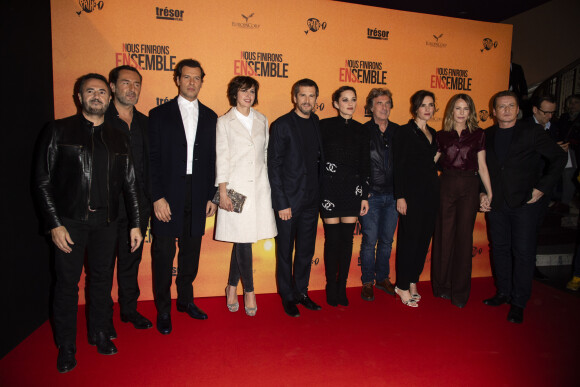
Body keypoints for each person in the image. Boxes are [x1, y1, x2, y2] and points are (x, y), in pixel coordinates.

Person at [34, 73, 143, 372]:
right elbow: (42, 182)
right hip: (69, 223)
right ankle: (67, 344)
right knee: (67, 285)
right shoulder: (58, 130)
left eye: (101, 92)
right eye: (89, 91)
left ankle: (99, 332)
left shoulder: (120, 136)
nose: (96, 96)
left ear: (109, 98)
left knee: (101, 282)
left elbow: (130, 184)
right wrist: (54, 223)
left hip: (107, 223)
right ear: (79, 97)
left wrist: (135, 223)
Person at [480, 91, 566, 324]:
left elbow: (558, 158)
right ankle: (503, 293)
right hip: (497, 204)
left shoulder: (532, 132)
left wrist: (541, 188)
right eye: (501, 106)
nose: (507, 110)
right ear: (494, 111)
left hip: (525, 204)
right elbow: (482, 168)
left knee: (523, 253)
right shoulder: (486, 135)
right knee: (499, 249)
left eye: (511, 106)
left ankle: (518, 302)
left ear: (518, 110)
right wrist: (481, 192)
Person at [149, 59, 218, 334]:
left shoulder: (212, 116)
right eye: (187, 77)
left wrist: (213, 194)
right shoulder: (158, 114)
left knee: (191, 251)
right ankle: (163, 309)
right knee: (163, 254)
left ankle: (185, 301)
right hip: (168, 194)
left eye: (197, 78)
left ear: (202, 81)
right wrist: (157, 196)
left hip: (199, 192)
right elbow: (151, 159)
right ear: (177, 79)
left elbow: (216, 159)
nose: (192, 82)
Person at [215, 76, 277, 316]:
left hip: (259, 190)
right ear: (235, 93)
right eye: (243, 91)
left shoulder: (262, 120)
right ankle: (249, 290)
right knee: (243, 241)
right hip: (235, 191)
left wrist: (268, 188)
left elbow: (265, 155)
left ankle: (231, 287)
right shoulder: (224, 122)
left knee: (243, 240)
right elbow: (222, 158)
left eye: (251, 91)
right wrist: (222, 192)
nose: (248, 95)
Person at [268, 78, 325, 317]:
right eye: (303, 95)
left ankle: (301, 292)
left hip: (312, 201)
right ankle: (287, 296)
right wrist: (281, 203)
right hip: (288, 203)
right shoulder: (282, 125)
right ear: (294, 97)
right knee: (284, 252)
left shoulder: (316, 122)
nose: (307, 100)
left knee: (305, 251)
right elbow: (274, 166)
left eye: (311, 96)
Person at [431, 93, 492, 308]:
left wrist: (488, 192)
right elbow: (431, 164)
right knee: (444, 237)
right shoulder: (441, 136)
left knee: (464, 239)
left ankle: (459, 292)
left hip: (469, 187)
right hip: (446, 185)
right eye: (458, 108)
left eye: (466, 109)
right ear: (451, 111)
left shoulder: (479, 135)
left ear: (471, 112)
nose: (462, 113)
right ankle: (441, 287)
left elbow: (482, 166)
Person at [105, 65, 152, 330]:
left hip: (139, 206)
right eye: (125, 83)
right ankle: (103, 318)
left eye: (136, 84)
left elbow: (151, 164)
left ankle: (129, 310)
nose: (131, 89)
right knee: (102, 266)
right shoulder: (99, 119)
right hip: (107, 206)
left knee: (131, 260)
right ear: (112, 86)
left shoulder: (146, 123)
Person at [319, 86, 369, 306]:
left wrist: (364, 196)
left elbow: (366, 165)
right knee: (332, 240)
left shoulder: (362, 129)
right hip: (329, 190)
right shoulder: (324, 126)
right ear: (336, 103)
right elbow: (317, 159)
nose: (350, 103)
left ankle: (342, 287)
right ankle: (331, 286)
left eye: (353, 99)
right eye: (345, 99)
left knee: (347, 241)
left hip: (353, 191)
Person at [393, 90, 439, 307]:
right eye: (423, 105)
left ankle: (413, 281)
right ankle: (401, 285)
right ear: (415, 108)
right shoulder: (404, 132)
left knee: (422, 241)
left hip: (431, 194)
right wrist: (400, 196)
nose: (428, 109)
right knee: (409, 240)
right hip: (410, 195)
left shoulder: (434, 133)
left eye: (431, 105)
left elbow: (432, 164)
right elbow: (399, 167)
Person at [359, 88, 400, 302]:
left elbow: (404, 165)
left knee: (386, 241)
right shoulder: (363, 131)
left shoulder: (399, 132)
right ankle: (367, 281)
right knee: (369, 240)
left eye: (387, 103)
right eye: (379, 103)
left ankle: (383, 278)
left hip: (393, 196)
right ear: (371, 108)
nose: (384, 107)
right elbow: (358, 165)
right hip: (371, 196)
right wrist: (363, 194)